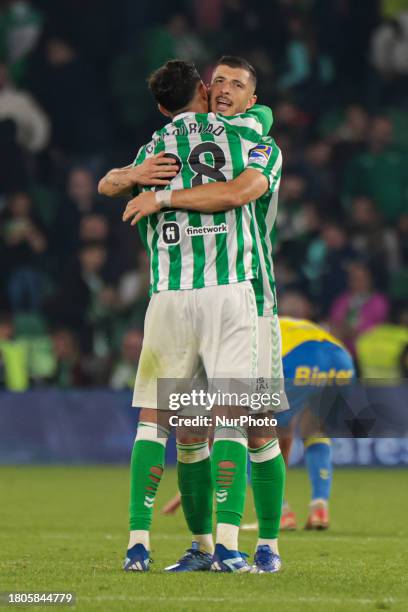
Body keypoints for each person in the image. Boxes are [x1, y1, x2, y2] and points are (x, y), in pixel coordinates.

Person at [100, 57, 286, 573]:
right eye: (219, 81)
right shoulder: (200, 141)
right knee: (187, 428)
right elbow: (111, 183)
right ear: (204, 89)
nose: (226, 90)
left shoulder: (255, 137)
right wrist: (133, 176)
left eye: (238, 85)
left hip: (253, 293)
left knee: (256, 423)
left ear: (253, 98)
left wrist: (155, 192)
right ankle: (207, 545)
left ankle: (266, 543)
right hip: (209, 295)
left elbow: (240, 191)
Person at [162, 317, 355, 532]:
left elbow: (217, 432)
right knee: (315, 430)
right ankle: (320, 507)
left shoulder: (226, 346)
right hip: (341, 360)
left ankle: (280, 512)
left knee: (249, 432)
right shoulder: (259, 321)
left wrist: (192, 484)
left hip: (298, 359)